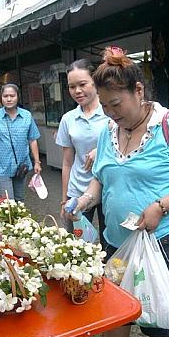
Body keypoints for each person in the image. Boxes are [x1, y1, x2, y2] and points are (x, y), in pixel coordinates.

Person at [69, 47, 169, 337]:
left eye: (116, 104)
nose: (110, 113)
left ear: (138, 91)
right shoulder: (107, 131)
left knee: (162, 311)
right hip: (117, 242)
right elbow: (100, 178)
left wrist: (161, 205)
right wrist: (85, 200)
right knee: (114, 309)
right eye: (105, 105)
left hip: (164, 244)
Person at [55, 59, 108, 241]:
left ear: (95, 82)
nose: (77, 91)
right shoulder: (68, 119)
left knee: (108, 243)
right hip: (77, 189)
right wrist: (64, 199)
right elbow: (67, 161)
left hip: (107, 189)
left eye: (82, 84)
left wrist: (100, 150)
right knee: (77, 244)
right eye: (72, 87)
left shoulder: (112, 114)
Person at [0, 83, 41, 202]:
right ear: (1, 98)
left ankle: (19, 221)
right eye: (5, 96)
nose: (9, 99)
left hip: (21, 165)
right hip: (0, 166)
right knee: (8, 202)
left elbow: (33, 139)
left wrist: (37, 162)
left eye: (12, 95)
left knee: (19, 200)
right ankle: (7, 219)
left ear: (17, 97)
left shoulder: (26, 116)